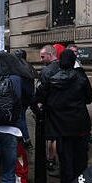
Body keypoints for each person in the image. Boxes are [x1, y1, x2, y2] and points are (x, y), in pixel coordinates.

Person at [35, 49, 92, 183]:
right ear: (74, 61)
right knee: (80, 161)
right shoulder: (81, 76)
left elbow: (40, 97)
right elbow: (89, 98)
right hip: (80, 125)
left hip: (60, 127)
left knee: (65, 161)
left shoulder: (51, 78)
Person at [38, 44, 60, 172]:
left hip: (50, 107)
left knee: (52, 136)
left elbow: (42, 91)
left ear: (50, 55)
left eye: (42, 56)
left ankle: (51, 159)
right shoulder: (63, 67)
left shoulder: (46, 71)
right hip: (62, 107)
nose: (41, 59)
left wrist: (39, 103)